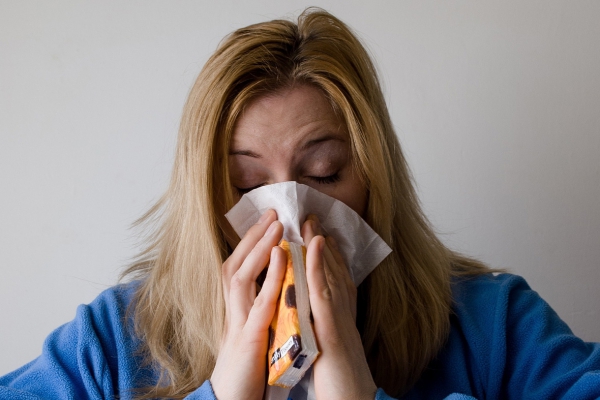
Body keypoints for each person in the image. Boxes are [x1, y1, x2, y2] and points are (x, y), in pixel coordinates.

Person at [1, 7, 599, 400]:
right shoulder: (117, 340)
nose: (287, 216)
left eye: (324, 174)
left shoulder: (489, 323)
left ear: (374, 178)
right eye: (245, 187)